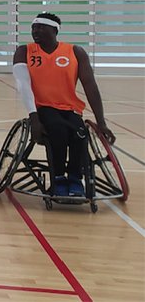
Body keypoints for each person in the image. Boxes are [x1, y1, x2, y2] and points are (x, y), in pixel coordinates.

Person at [12, 12, 114, 197]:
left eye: (41, 27)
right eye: (34, 27)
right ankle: (58, 178)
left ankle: (75, 179)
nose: (35, 30)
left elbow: (90, 87)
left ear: (54, 30)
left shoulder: (75, 52)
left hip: (70, 108)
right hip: (43, 108)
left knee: (79, 134)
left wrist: (101, 122)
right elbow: (23, 86)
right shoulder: (24, 51)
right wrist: (33, 118)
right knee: (57, 132)